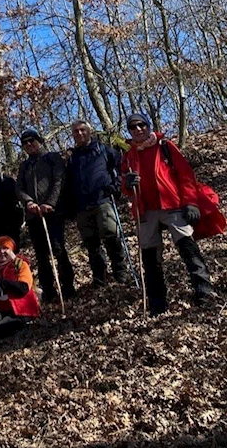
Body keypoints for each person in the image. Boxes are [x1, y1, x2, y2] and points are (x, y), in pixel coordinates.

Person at [121, 113, 218, 315]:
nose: (138, 130)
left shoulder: (165, 146)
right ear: (129, 131)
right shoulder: (128, 155)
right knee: (150, 258)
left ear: (148, 126)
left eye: (141, 125)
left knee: (188, 248)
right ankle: (158, 304)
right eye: (133, 127)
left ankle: (204, 292)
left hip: (172, 205)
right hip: (145, 211)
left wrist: (191, 203)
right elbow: (126, 188)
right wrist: (127, 184)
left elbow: (185, 175)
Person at [16, 129, 76, 303]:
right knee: (41, 254)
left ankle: (68, 287)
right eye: (25, 142)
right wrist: (28, 202)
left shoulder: (52, 158)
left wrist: (50, 203)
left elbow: (59, 181)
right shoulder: (24, 166)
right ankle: (49, 290)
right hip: (33, 215)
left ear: (39, 141)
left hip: (53, 213)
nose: (29, 144)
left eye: (31, 140)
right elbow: (19, 188)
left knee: (58, 249)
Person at [66, 120, 128, 286]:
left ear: (89, 131)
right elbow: (69, 183)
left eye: (82, 130)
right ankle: (99, 277)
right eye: (76, 131)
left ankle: (120, 273)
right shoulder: (72, 159)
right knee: (91, 244)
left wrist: (115, 186)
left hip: (103, 200)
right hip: (82, 207)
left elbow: (122, 168)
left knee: (111, 236)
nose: (79, 134)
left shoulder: (103, 150)